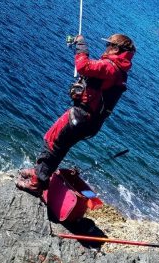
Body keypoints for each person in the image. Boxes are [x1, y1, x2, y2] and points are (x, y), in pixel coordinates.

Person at [16, 33, 135, 196]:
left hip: (81, 116)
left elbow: (83, 66)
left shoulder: (110, 68)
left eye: (108, 45)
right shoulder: (119, 72)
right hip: (89, 121)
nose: (106, 48)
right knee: (60, 145)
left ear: (115, 48)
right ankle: (40, 173)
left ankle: (37, 182)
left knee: (53, 142)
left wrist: (81, 47)